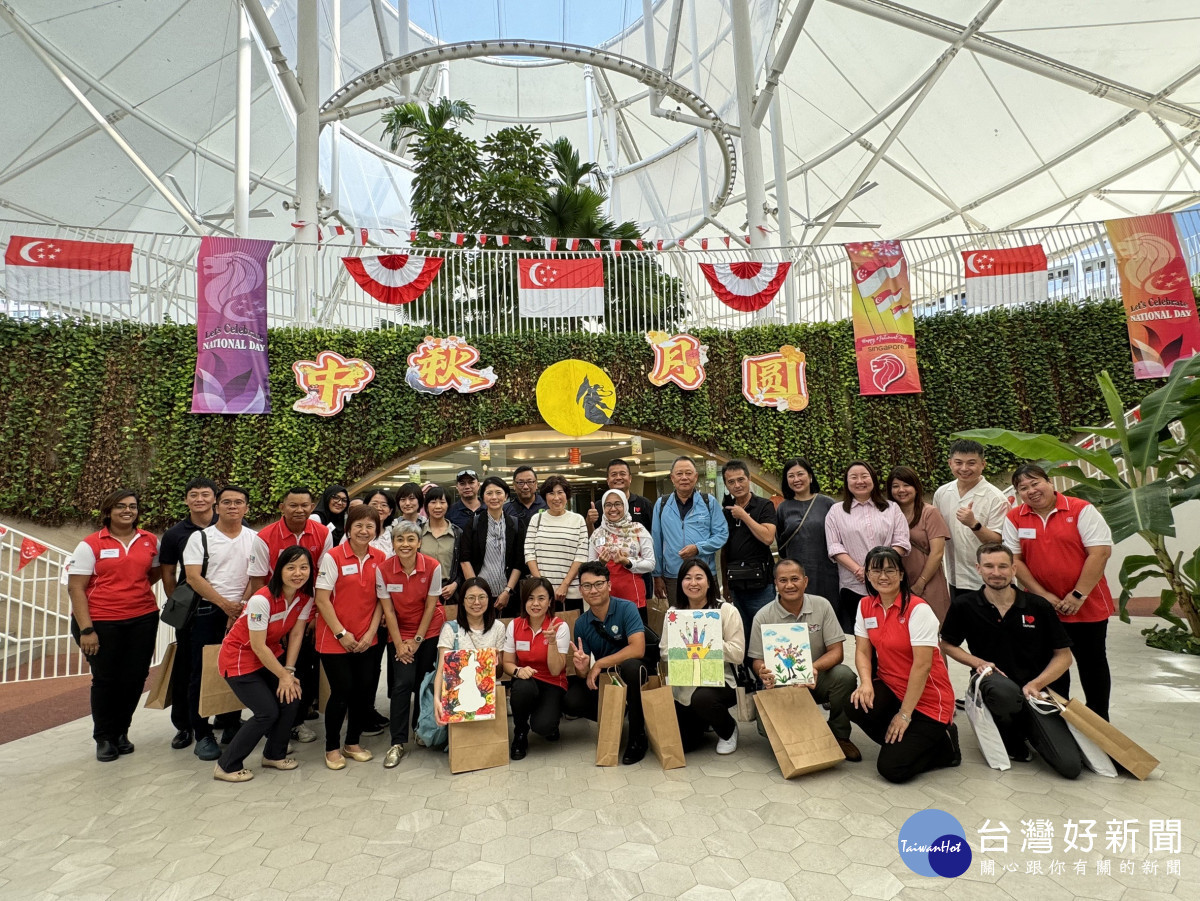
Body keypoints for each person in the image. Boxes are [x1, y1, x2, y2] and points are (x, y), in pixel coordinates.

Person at [940, 544, 1081, 776]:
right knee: (1002, 690)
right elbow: (947, 644)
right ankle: (1010, 734)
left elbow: (1064, 657)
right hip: (997, 686)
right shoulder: (964, 605)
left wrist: (1036, 684)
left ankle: (1030, 726)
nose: (996, 572)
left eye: (1003, 566)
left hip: (1037, 693)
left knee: (1070, 767)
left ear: (1014, 569)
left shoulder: (1038, 606)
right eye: (989, 566)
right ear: (978, 569)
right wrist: (977, 663)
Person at [1002, 464, 1115, 720]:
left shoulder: (1080, 509)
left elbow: (1100, 553)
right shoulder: (1015, 517)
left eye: (1035, 483)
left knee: (1092, 663)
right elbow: (1015, 561)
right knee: (1051, 665)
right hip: (1042, 607)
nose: (1031, 491)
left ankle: (1100, 721)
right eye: (1023, 488)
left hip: (1087, 604)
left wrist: (1077, 595)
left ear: (1049, 482)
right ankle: (1058, 720)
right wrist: (1042, 596)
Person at [849, 547, 959, 784]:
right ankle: (904, 741)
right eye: (876, 570)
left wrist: (905, 715)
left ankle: (944, 744)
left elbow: (923, 667)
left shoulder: (918, 609)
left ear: (901, 574)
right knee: (856, 704)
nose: (883, 576)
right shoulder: (866, 605)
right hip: (891, 687)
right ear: (867, 575)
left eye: (890, 570)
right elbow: (862, 650)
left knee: (892, 769)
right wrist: (866, 683)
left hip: (928, 700)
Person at [67, 489, 161, 762]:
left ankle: (121, 731)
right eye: (120, 506)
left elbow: (152, 573)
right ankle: (104, 737)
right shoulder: (90, 544)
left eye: (132, 506)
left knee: (134, 678)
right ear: (108, 511)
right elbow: (76, 588)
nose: (127, 511)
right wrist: (87, 630)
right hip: (101, 622)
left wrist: (131, 592)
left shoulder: (149, 540)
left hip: (142, 618)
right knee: (107, 680)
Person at [183, 485, 270, 762]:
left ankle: (231, 723)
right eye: (227, 502)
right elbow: (194, 578)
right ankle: (202, 733)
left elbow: (256, 577)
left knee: (238, 670)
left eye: (239, 502)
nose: (233, 507)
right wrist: (225, 605)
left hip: (243, 611)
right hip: (208, 611)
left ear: (247, 508)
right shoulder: (201, 539)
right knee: (202, 672)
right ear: (217, 506)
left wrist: (240, 607)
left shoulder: (255, 538)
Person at [213, 546, 315, 782]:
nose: (298, 573)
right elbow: (257, 646)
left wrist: (288, 672)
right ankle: (226, 766)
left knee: (291, 698)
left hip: (271, 655)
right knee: (266, 712)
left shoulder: (304, 598)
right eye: (291, 567)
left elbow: (297, 634)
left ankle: (274, 755)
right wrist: (283, 675)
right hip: (240, 659)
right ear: (279, 570)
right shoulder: (261, 600)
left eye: (303, 567)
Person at [748, 559, 861, 761]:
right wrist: (762, 671)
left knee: (845, 675)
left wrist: (814, 668)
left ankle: (840, 735)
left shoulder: (822, 606)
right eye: (783, 580)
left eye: (795, 579)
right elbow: (756, 659)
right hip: (781, 685)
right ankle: (796, 735)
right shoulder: (763, 616)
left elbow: (837, 652)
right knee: (765, 729)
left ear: (805, 581)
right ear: (775, 583)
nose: (789, 585)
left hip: (817, 679)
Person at [313, 504, 387, 770]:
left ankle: (352, 742)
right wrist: (342, 633)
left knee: (363, 692)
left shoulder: (380, 557)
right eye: (358, 525)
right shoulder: (333, 557)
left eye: (370, 526)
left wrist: (370, 632)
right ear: (349, 529)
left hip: (368, 638)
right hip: (335, 639)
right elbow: (321, 599)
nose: (364, 531)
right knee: (342, 691)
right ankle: (332, 747)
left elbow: (382, 600)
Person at [258, 486, 334, 743]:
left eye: (305, 505)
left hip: (307, 613)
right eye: (293, 505)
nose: (300, 510)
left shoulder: (323, 534)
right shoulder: (265, 536)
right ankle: (273, 722)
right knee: (272, 668)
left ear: (312, 507)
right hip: (273, 613)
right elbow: (259, 580)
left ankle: (297, 720)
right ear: (282, 507)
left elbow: (323, 578)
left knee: (304, 666)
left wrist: (314, 614)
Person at [563, 561, 649, 765]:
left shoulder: (627, 608)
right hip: (608, 679)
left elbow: (638, 649)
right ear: (581, 590)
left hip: (632, 671)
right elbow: (584, 671)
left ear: (609, 585)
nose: (593, 590)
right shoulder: (582, 623)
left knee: (631, 668)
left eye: (599, 584)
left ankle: (638, 736)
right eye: (587, 586)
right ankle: (616, 717)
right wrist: (582, 668)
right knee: (571, 700)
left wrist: (599, 663)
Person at [377, 520, 445, 768]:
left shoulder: (432, 566)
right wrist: (399, 644)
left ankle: (421, 728)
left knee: (423, 682)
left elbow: (431, 606)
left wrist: (416, 640)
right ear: (393, 543)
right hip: (399, 632)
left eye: (410, 539)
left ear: (419, 543)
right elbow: (389, 611)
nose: (405, 544)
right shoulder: (383, 569)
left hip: (428, 631)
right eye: (400, 539)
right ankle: (397, 742)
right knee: (402, 683)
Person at [158, 477, 218, 751]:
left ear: (214, 499)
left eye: (205, 494)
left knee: (223, 663)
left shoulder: (227, 526)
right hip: (191, 611)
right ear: (186, 500)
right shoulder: (174, 534)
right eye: (194, 495)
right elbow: (168, 572)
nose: (200, 499)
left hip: (223, 607)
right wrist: (178, 603)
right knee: (188, 667)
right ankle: (185, 725)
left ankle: (225, 718)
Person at [664, 559, 745, 754]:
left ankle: (728, 729)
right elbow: (664, 651)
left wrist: (711, 644)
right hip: (685, 683)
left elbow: (738, 653)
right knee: (685, 745)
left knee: (703, 698)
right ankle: (705, 721)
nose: (693, 583)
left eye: (699, 577)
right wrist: (681, 649)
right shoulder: (674, 614)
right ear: (680, 583)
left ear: (709, 582)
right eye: (687, 578)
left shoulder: (726, 611)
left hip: (721, 681)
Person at [824, 461, 911, 632]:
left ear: (873, 479)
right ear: (847, 482)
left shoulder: (891, 508)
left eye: (864, 476)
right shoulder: (836, 511)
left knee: (893, 633)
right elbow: (834, 546)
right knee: (862, 636)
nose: (860, 481)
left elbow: (901, 542)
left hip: (889, 583)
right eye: (854, 477)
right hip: (853, 585)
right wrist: (860, 570)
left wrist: (879, 569)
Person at [503, 577, 571, 759]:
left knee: (543, 726)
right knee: (521, 687)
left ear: (550, 601)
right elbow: (507, 663)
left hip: (552, 682)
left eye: (541, 598)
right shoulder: (514, 625)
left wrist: (552, 643)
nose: (535, 604)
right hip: (526, 679)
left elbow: (556, 670)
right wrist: (518, 671)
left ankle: (551, 721)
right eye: (530, 598)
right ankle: (520, 733)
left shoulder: (560, 626)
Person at [932, 440, 1008, 598]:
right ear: (950, 463)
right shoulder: (942, 493)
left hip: (985, 581)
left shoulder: (996, 498)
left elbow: (999, 542)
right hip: (953, 578)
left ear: (983, 464)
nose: (964, 469)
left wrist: (974, 524)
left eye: (971, 463)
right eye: (958, 463)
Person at [652, 457, 729, 603]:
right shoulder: (662, 504)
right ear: (672, 478)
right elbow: (656, 541)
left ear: (695, 477)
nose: (684, 478)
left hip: (704, 573)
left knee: (710, 619)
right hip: (674, 575)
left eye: (688, 473)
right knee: (678, 620)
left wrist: (698, 548)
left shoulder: (708, 502)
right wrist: (657, 575)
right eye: (679, 474)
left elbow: (722, 534)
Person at [435, 578, 508, 722]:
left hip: (488, 696)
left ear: (489, 599)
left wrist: (497, 661)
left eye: (482, 597)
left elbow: (499, 674)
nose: (477, 603)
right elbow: (442, 670)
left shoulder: (498, 628)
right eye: (471, 598)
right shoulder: (451, 629)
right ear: (462, 601)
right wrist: (437, 700)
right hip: (456, 698)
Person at [720, 460, 778, 641]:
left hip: (761, 585)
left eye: (741, 480)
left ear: (749, 479)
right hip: (736, 584)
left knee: (765, 634)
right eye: (731, 482)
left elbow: (768, 537)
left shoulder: (764, 506)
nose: (737, 485)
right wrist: (726, 584)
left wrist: (744, 516)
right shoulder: (725, 511)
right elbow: (725, 550)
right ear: (726, 484)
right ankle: (746, 669)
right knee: (741, 635)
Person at [887, 467, 952, 623]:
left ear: (916, 487)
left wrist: (920, 583)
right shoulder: (886, 514)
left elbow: (937, 552)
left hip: (927, 581)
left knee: (931, 629)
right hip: (897, 582)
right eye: (895, 486)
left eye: (906, 485)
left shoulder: (929, 513)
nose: (901, 490)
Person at [775, 459, 839, 609]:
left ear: (810, 476)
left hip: (827, 573)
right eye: (791, 476)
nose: (796, 479)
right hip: (797, 576)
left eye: (800, 474)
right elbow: (781, 545)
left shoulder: (828, 504)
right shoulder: (783, 508)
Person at [586, 458, 655, 599]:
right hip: (605, 590)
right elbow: (590, 557)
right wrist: (589, 522)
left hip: (636, 583)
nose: (613, 509)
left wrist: (628, 562)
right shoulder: (598, 510)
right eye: (614, 474)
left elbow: (651, 552)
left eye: (622, 474)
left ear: (630, 478)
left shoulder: (641, 516)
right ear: (607, 479)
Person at [587, 489, 655, 619]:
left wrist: (628, 563)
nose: (613, 508)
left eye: (618, 504)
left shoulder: (638, 529)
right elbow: (589, 568)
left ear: (625, 505)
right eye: (608, 505)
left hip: (633, 596)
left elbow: (651, 564)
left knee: (636, 637)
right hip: (603, 597)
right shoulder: (597, 534)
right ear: (603, 507)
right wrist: (600, 563)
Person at [524, 475, 589, 610]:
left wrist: (564, 585)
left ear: (567, 495)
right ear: (545, 496)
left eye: (560, 493)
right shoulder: (537, 519)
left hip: (571, 593)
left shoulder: (578, 520)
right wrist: (542, 586)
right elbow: (529, 553)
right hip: (542, 594)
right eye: (551, 493)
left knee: (570, 629)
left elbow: (581, 556)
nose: (556, 498)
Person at [461, 476, 523, 614]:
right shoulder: (474, 524)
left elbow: (519, 562)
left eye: (498, 492)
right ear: (483, 497)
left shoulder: (516, 524)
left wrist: (507, 591)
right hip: (479, 596)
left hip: (509, 595)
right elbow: (465, 559)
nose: (494, 497)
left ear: (506, 496)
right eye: (489, 493)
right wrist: (476, 591)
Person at [420, 486, 464, 605]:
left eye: (442, 502)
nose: (438, 506)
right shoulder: (417, 532)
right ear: (426, 505)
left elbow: (463, 565)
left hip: (448, 593)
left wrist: (455, 585)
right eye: (433, 502)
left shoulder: (458, 533)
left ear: (448, 505)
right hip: (421, 591)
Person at [505, 465, 548, 533]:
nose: (525, 487)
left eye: (530, 482)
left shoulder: (547, 505)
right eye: (521, 483)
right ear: (514, 485)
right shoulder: (505, 510)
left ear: (536, 484)